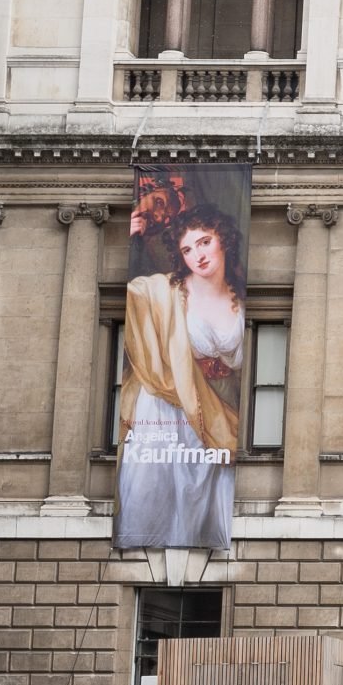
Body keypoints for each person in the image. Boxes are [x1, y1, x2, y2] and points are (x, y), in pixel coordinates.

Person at [116, 205, 244, 551]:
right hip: (170, 411)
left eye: (204, 242)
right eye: (188, 249)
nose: (198, 256)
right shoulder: (166, 292)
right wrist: (126, 239)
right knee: (159, 498)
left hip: (222, 414)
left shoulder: (243, 298)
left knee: (207, 503)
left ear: (223, 240)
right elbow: (129, 295)